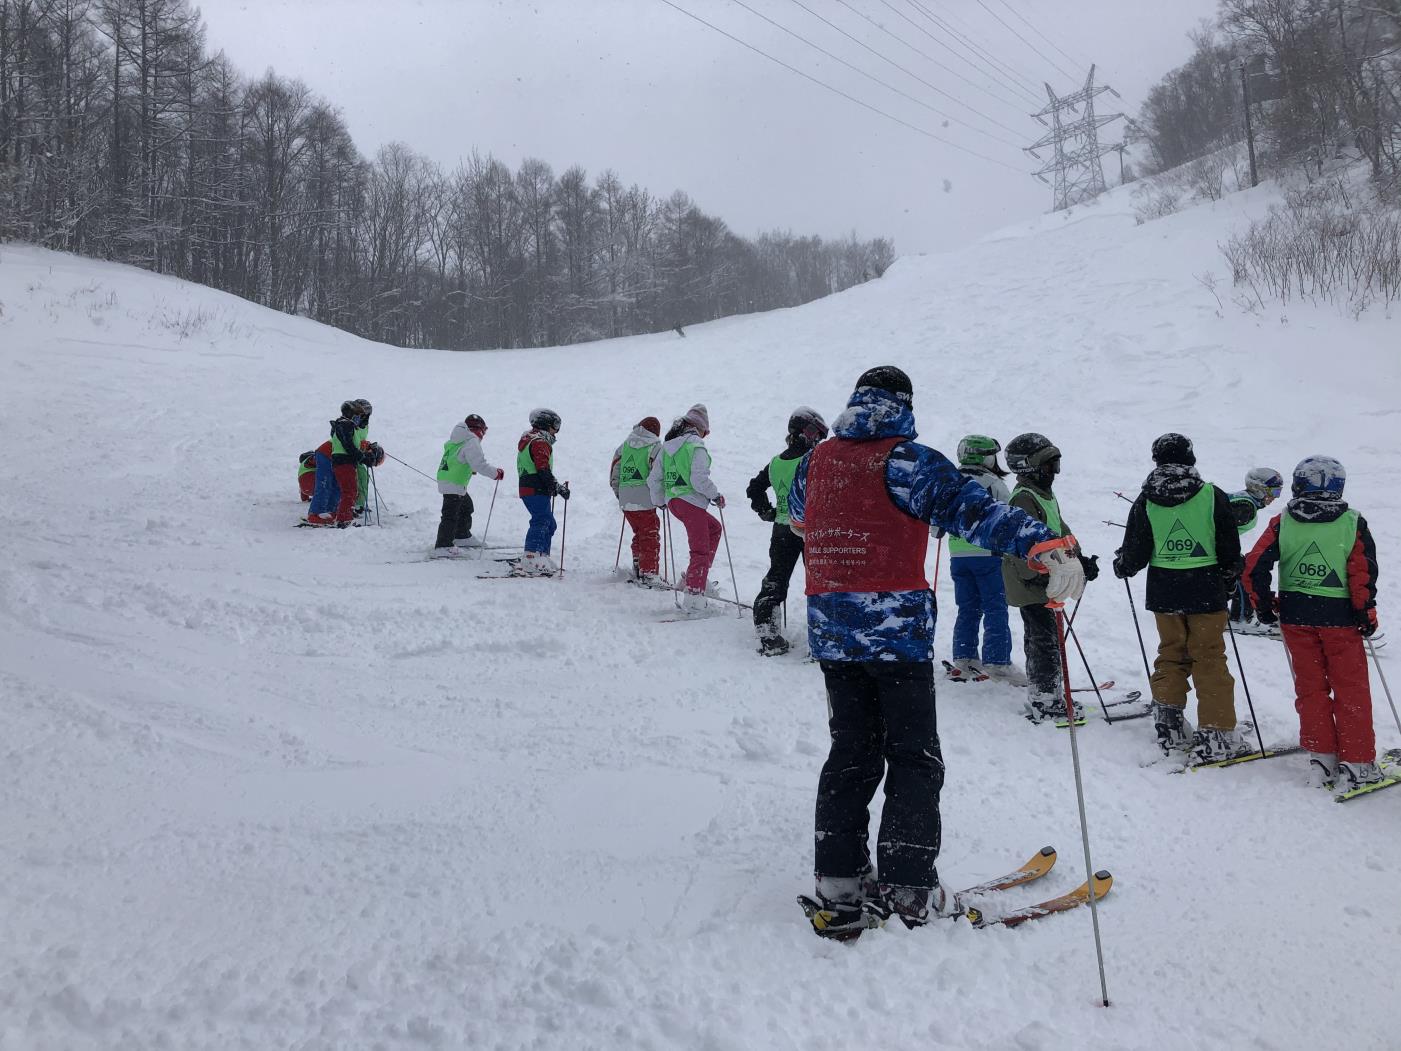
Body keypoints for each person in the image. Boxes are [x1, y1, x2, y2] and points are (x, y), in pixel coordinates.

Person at [787, 366, 1084, 939]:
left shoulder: (815, 460)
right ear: (903, 405)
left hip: (833, 628)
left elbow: (800, 517)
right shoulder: (904, 459)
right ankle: (909, 887)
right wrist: (1045, 544)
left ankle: (840, 885)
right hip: (895, 630)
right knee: (914, 757)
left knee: (850, 752)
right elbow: (973, 510)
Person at [1243, 456, 1382, 796]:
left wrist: (1263, 607)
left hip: (1296, 616)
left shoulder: (1284, 520)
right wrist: (1365, 615)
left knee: (1311, 688)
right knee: (1350, 690)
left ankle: (1322, 757)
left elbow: (1254, 566)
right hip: (1341, 620)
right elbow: (1361, 571)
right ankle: (1358, 763)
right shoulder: (1351, 521)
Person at [1112, 433, 1246, 761]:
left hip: (1164, 590)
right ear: (1191, 459)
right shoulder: (1211, 496)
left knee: (1171, 653)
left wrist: (1123, 565)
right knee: (1208, 656)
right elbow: (1230, 549)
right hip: (1205, 589)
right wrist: (1229, 579)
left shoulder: (1147, 499)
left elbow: (1135, 553)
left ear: (1156, 460)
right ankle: (1216, 734)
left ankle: (1169, 723)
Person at [1001, 432, 1100, 722]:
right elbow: (1018, 543)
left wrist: (1079, 558)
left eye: (1056, 466)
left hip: (1046, 578)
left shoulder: (1044, 495)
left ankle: (1045, 690)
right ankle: (1045, 698)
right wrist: (1035, 577)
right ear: (1029, 467)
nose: (1053, 473)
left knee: (1045, 636)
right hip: (1031, 582)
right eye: (1048, 467)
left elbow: (1060, 530)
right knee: (1044, 639)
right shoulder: (1023, 498)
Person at [748, 408, 828, 656]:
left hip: (783, 528)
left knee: (776, 577)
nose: (819, 440)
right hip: (812, 530)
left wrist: (766, 511)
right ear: (808, 432)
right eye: (817, 435)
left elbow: (754, 488)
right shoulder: (815, 459)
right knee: (820, 582)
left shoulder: (776, 463)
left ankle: (767, 632)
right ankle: (823, 637)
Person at [945, 435, 1025, 685]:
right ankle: (997, 661)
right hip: (988, 555)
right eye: (992, 455)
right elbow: (1008, 517)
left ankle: (965, 657)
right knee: (994, 607)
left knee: (967, 606)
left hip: (958, 556)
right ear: (983, 457)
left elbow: (937, 519)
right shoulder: (994, 484)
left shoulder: (951, 481)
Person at [648, 404, 724, 613]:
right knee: (699, 550)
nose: (704, 435)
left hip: (674, 503)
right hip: (691, 502)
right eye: (705, 431)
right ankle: (694, 596)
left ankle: (696, 577)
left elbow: (654, 478)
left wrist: (660, 500)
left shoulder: (668, 447)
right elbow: (698, 479)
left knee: (714, 529)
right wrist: (715, 495)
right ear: (699, 428)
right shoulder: (695, 446)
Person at [432, 413, 505, 558]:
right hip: (455, 483)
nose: (483, 435)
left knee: (466, 507)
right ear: (479, 430)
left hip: (448, 480)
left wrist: (468, 468)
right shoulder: (471, 441)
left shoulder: (457, 440)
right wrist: (495, 473)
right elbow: (479, 464)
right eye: (483, 431)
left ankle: (462, 536)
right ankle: (443, 545)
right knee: (450, 515)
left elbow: (457, 459)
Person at [304, 400, 377, 527]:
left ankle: (332, 513)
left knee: (338, 487)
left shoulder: (355, 426)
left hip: (339, 458)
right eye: (358, 414)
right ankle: (317, 514)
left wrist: (365, 454)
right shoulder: (346, 425)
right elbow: (349, 446)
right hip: (328, 456)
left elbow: (356, 445)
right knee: (326, 484)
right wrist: (362, 456)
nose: (361, 417)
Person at [513, 408, 568, 577]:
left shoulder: (533, 440)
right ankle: (531, 556)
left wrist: (553, 486)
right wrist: (556, 486)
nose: (557, 430)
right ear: (545, 424)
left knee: (550, 523)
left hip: (532, 487)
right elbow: (542, 468)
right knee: (542, 520)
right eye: (555, 425)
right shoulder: (539, 442)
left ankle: (542, 555)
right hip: (534, 487)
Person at [1227, 467, 1284, 628]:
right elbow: (1218, 530)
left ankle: (1240, 616)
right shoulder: (1245, 507)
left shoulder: (1244, 502)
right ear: (1258, 489)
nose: (1275, 497)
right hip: (1209, 548)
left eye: (1278, 492)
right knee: (1245, 572)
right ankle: (1242, 619)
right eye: (1273, 492)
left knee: (1243, 568)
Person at [610, 417, 664, 585]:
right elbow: (658, 474)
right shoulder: (655, 447)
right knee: (650, 533)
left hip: (626, 499)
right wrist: (661, 497)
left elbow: (615, 472)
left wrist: (619, 493)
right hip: (645, 498)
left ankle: (638, 564)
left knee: (640, 532)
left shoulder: (624, 446)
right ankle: (649, 573)